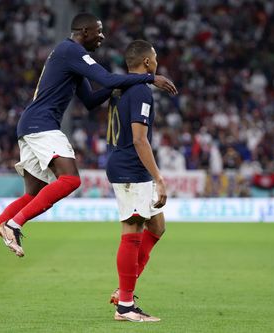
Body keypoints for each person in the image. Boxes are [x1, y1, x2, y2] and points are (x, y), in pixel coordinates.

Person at [0, 13, 177, 281]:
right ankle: (13, 225)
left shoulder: (70, 58)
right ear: (84, 31)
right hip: (42, 126)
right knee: (71, 179)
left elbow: (90, 99)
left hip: (30, 125)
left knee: (31, 196)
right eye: (98, 31)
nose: (102, 37)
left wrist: (121, 91)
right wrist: (146, 79)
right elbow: (108, 79)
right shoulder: (70, 50)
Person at [105, 40, 168, 322]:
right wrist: (159, 178)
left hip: (130, 167)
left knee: (156, 225)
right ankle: (126, 306)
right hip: (131, 168)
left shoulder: (123, 88)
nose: (156, 62)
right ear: (146, 63)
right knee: (131, 232)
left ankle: (124, 290)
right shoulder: (141, 91)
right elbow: (140, 139)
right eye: (154, 58)